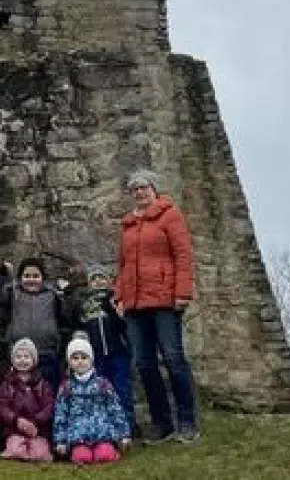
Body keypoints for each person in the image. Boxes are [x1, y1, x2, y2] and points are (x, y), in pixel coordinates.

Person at [116, 169, 201, 443]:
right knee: (144, 363)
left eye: (143, 187)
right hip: (135, 305)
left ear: (154, 189)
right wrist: (119, 297)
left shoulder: (170, 215)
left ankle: (187, 422)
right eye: (134, 189)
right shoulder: (128, 225)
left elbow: (183, 255)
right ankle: (162, 423)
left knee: (174, 359)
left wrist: (183, 292)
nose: (139, 192)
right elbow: (123, 265)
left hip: (164, 300)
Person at [0, 256, 69, 387]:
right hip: (19, 354)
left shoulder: (52, 294)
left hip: (46, 352)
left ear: (42, 278)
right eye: (27, 276)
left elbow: (65, 316)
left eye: (35, 276)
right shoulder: (12, 292)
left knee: (47, 391)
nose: (31, 279)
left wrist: (66, 292)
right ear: (20, 278)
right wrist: (2, 275)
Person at [68, 262, 136, 433]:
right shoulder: (84, 304)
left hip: (117, 353)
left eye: (102, 278)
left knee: (122, 390)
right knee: (100, 392)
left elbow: (125, 324)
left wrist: (113, 308)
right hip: (95, 357)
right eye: (94, 279)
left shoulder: (116, 300)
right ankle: (105, 427)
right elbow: (76, 322)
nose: (98, 282)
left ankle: (127, 426)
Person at [53, 333, 132, 464]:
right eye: (75, 358)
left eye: (84, 357)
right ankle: (79, 452)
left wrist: (123, 434)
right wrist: (61, 441)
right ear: (69, 362)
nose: (80, 361)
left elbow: (115, 409)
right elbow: (61, 415)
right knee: (82, 457)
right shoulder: (66, 387)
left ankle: (110, 449)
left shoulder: (102, 383)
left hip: (103, 433)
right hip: (78, 436)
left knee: (104, 456)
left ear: (91, 360)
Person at [0, 337, 55, 462]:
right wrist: (16, 420)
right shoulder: (7, 383)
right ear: (13, 360)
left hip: (37, 429)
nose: (22, 360)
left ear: (34, 360)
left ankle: (34, 449)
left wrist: (36, 421)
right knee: (15, 451)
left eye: (26, 357)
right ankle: (18, 448)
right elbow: (1, 406)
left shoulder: (42, 383)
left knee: (40, 455)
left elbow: (49, 406)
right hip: (14, 429)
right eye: (18, 357)